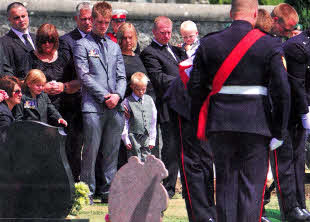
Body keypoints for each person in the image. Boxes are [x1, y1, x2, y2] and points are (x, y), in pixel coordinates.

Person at [188, 0, 290, 221]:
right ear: (255, 14)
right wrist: (279, 131)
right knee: (252, 189)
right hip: (257, 124)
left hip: (220, 124)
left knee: (225, 186)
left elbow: (195, 89)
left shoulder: (209, 43)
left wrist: (202, 122)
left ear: (231, 12)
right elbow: (283, 92)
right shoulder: (269, 45)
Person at [141, 16, 216, 222]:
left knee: (195, 153)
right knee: (173, 151)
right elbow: (159, 79)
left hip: (187, 107)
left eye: (169, 32)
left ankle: (193, 192)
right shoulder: (150, 52)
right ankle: (168, 189)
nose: (166, 36)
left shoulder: (176, 49)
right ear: (154, 32)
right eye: (162, 32)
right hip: (170, 107)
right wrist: (188, 79)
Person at [73, 1, 126, 204]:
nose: (103, 25)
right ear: (92, 20)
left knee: (111, 152)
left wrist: (118, 96)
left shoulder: (114, 46)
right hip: (93, 106)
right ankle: (87, 192)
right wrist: (105, 96)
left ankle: (108, 191)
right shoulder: (82, 45)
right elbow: (84, 76)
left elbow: (122, 77)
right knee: (91, 151)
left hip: (115, 106)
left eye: (107, 22)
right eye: (100, 22)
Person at [59, 1, 92, 182]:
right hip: (74, 103)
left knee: (94, 146)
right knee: (74, 145)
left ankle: (93, 182)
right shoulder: (66, 41)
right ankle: (73, 183)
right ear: (76, 19)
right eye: (84, 19)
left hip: (95, 102)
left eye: (90, 19)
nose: (88, 22)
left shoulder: (99, 40)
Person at [23, 23, 78, 111]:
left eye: (50, 40)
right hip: (39, 107)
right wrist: (42, 87)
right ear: (38, 41)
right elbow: (23, 83)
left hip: (65, 106)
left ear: (56, 41)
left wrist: (63, 87)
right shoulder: (30, 58)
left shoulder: (65, 56)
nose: (47, 44)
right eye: (43, 41)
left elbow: (79, 80)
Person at [121, 72, 157, 162]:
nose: (141, 92)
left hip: (146, 135)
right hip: (133, 135)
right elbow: (124, 121)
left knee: (147, 157)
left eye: (143, 89)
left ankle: (145, 176)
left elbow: (153, 119)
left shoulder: (150, 100)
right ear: (132, 87)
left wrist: (152, 139)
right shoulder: (127, 101)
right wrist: (125, 138)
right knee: (134, 159)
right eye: (138, 89)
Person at [0, 2, 35, 78]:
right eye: (16, 18)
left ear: (28, 15)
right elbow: (5, 70)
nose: (21, 20)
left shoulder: (38, 38)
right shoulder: (3, 43)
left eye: (23, 16)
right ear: (9, 19)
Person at [0, 76, 22, 144]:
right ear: (7, 93)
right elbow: (5, 142)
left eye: (21, 91)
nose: (21, 95)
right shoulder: (4, 114)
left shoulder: (5, 110)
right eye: (17, 92)